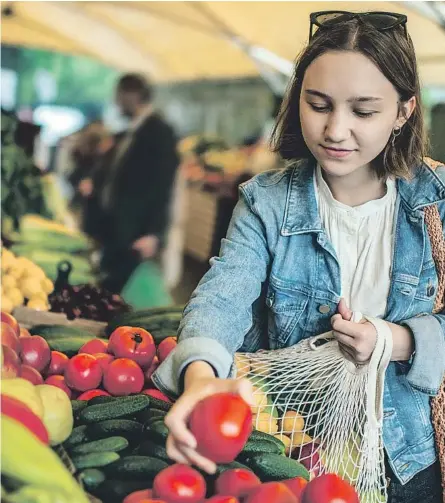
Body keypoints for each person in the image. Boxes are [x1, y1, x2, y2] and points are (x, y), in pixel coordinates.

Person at [152, 11, 444, 503]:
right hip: (295, 450)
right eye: (318, 104)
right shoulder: (265, 202)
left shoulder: (438, 201)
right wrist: (201, 378)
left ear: (404, 111)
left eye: (364, 111)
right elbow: (222, 297)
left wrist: (396, 339)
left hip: (412, 460)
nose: (335, 129)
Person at [82, 73, 180, 293]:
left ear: (133, 95)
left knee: (120, 293)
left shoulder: (159, 132)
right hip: (116, 228)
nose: (116, 102)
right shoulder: (129, 131)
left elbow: (163, 185)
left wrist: (154, 233)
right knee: (106, 287)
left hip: (134, 233)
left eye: (119, 95)